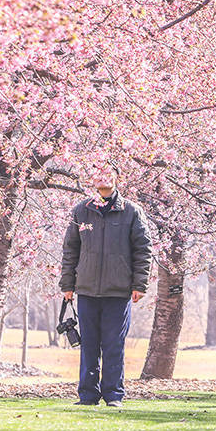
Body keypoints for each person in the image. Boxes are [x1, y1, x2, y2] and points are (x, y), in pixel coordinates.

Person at [59, 166, 152, 407]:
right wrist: (67, 284)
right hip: (87, 290)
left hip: (118, 291)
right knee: (88, 345)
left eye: (106, 173)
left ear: (116, 178)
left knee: (113, 345)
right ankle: (88, 396)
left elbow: (143, 250)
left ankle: (113, 395)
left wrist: (139, 284)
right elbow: (70, 250)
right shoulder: (81, 210)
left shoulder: (132, 211)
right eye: (97, 172)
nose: (101, 177)